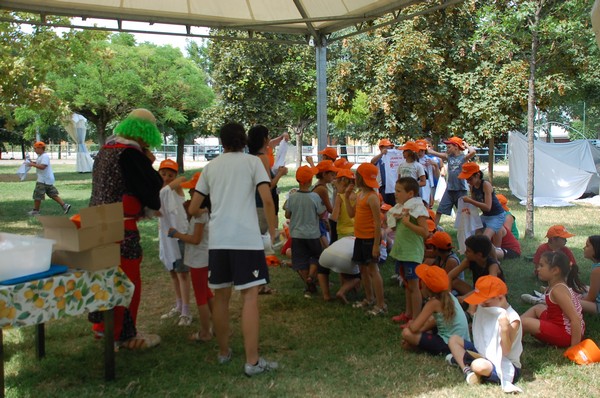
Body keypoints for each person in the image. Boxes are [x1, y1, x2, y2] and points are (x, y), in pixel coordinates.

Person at [187, 122, 278, 376]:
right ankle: (252, 361)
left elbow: (194, 208)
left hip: (218, 241)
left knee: (221, 298)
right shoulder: (253, 163)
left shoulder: (210, 167)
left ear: (222, 141)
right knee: (249, 297)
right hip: (246, 240)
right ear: (244, 140)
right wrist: (273, 230)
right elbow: (267, 198)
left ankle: (224, 352)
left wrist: (209, 210)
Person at [89, 108, 163, 349]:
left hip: (95, 222)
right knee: (126, 280)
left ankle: (102, 327)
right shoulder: (131, 154)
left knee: (102, 277)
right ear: (146, 133)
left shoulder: (105, 150)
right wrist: (150, 164)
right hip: (120, 227)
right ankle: (122, 333)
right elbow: (149, 188)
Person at [446, 276, 523, 392]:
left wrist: (504, 329)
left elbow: (506, 350)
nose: (482, 306)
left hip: (504, 363)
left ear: (500, 298)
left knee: (479, 365)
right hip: (483, 352)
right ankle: (468, 371)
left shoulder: (513, 319)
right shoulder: (486, 307)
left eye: (485, 304)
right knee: (453, 340)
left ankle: (464, 361)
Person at [168, 172, 214, 342]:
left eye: (193, 192)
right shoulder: (201, 212)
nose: (189, 195)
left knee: (201, 296)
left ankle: (205, 332)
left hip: (199, 260)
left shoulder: (201, 214)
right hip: (201, 258)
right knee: (207, 294)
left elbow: (195, 239)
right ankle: (218, 326)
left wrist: (177, 234)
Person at [401, 264, 470, 355]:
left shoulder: (433, 303)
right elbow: (433, 322)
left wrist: (411, 326)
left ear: (425, 285)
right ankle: (419, 343)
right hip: (463, 342)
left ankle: (420, 346)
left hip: (449, 345)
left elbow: (413, 328)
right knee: (426, 329)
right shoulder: (449, 296)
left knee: (406, 333)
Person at [387, 177, 429, 324]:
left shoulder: (417, 209)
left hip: (412, 253)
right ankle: (408, 313)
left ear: (410, 194)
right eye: (395, 190)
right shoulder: (401, 209)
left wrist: (407, 223)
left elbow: (425, 232)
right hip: (402, 252)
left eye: (399, 191)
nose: (395, 194)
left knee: (414, 286)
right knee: (406, 284)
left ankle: (416, 319)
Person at [345, 163, 385, 315]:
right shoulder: (360, 194)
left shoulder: (372, 197)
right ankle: (369, 298)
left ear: (361, 178)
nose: (354, 177)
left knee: (373, 270)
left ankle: (381, 304)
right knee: (363, 270)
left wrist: (376, 245)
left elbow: (378, 223)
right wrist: (348, 198)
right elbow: (351, 214)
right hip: (360, 238)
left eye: (357, 175)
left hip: (369, 239)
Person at [521, 251, 585, 348]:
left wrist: (574, 348)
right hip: (559, 324)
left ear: (555, 270)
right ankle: (513, 327)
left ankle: (511, 339)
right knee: (538, 308)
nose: (538, 269)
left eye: (541, 266)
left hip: (567, 334)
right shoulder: (556, 285)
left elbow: (575, 318)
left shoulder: (558, 290)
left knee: (525, 322)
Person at [157, 159, 192, 326]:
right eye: (163, 174)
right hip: (166, 238)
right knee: (173, 273)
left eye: (170, 175)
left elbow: (182, 180)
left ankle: (186, 310)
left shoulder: (174, 189)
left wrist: (174, 180)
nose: (166, 177)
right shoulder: (159, 192)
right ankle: (178, 305)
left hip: (179, 236)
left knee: (182, 273)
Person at [284, 165, 327, 299]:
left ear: (297, 180)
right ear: (310, 181)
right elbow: (321, 214)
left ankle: (308, 283)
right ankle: (311, 277)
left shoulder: (292, 197)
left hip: (296, 235)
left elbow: (287, 215)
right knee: (317, 256)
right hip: (313, 234)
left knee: (300, 261)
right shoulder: (314, 197)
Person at [247, 125, 289, 235]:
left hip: (250, 205)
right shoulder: (262, 158)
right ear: (264, 139)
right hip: (261, 206)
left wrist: (281, 138)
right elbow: (268, 185)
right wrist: (280, 173)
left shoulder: (249, 157)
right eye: (268, 136)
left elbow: (270, 144)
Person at [427, 136, 476, 225]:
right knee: (439, 210)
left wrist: (466, 145)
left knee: (463, 213)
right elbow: (433, 152)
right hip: (449, 190)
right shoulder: (448, 157)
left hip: (460, 190)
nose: (447, 149)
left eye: (449, 147)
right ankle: (433, 230)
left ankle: (466, 232)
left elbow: (473, 152)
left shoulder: (463, 157)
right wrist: (427, 149)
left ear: (456, 147)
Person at [457, 162, 505, 246]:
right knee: (476, 236)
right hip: (485, 216)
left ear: (478, 175)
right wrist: (468, 209)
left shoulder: (486, 185)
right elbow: (475, 203)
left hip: (497, 215)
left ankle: (494, 252)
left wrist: (470, 201)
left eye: (469, 179)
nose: (468, 182)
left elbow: (487, 207)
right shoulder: (472, 186)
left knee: (484, 239)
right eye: (466, 179)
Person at [26, 141, 71, 215]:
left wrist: (32, 164)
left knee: (37, 195)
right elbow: (39, 164)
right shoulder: (41, 156)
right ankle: (65, 205)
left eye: (36, 148)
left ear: (40, 148)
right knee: (53, 194)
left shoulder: (44, 156)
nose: (35, 150)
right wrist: (32, 163)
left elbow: (43, 167)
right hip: (47, 179)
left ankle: (36, 211)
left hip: (43, 180)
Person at [370, 138, 400, 206]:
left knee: (394, 204)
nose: (388, 148)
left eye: (389, 147)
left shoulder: (392, 157)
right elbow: (372, 162)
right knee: (384, 205)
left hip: (392, 185)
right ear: (381, 148)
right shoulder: (379, 159)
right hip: (383, 186)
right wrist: (381, 154)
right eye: (386, 146)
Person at [331, 168, 356, 239]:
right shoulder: (357, 195)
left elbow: (334, 217)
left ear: (341, 181)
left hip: (343, 232)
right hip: (356, 231)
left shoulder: (340, 197)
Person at [581, 235, 600, 314]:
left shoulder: (597, 270)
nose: (584, 248)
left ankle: (546, 299)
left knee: (570, 303)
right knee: (581, 287)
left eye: (587, 246)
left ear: (596, 249)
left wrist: (577, 300)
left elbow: (591, 298)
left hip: (598, 305)